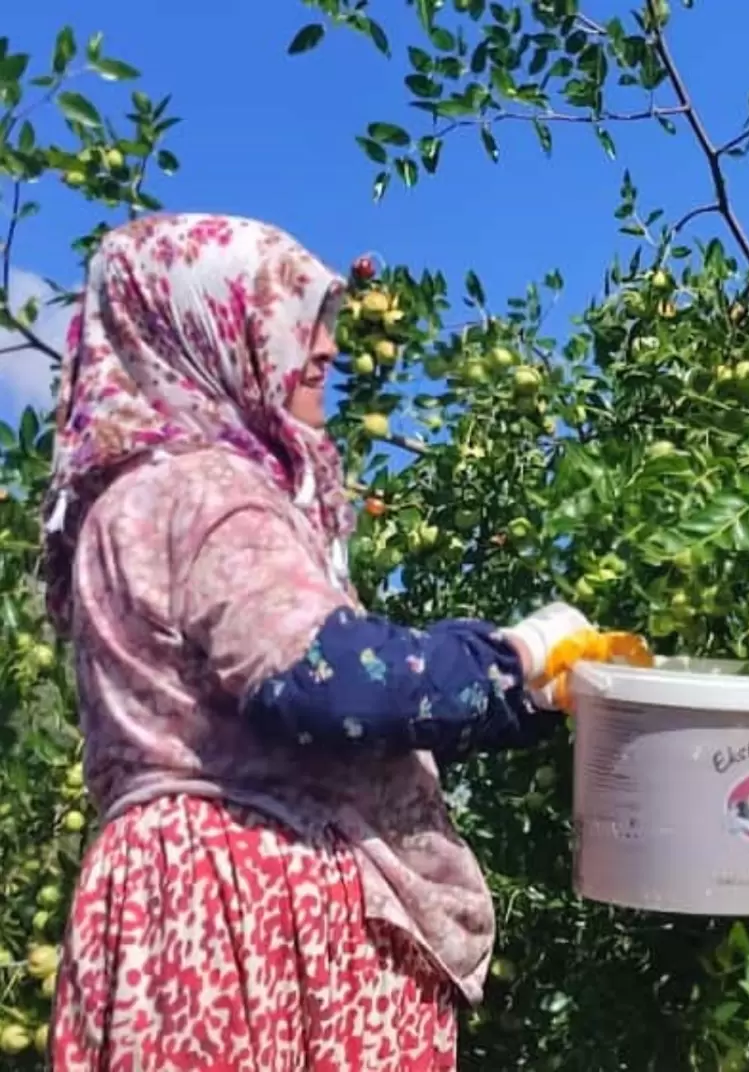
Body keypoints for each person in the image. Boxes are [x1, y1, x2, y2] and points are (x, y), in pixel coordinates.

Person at [40, 213, 598, 1070]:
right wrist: (511, 661)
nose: (329, 349)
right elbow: (324, 678)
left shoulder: (134, 504)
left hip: (178, 902)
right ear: (209, 331)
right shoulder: (199, 490)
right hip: (243, 907)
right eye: (299, 319)